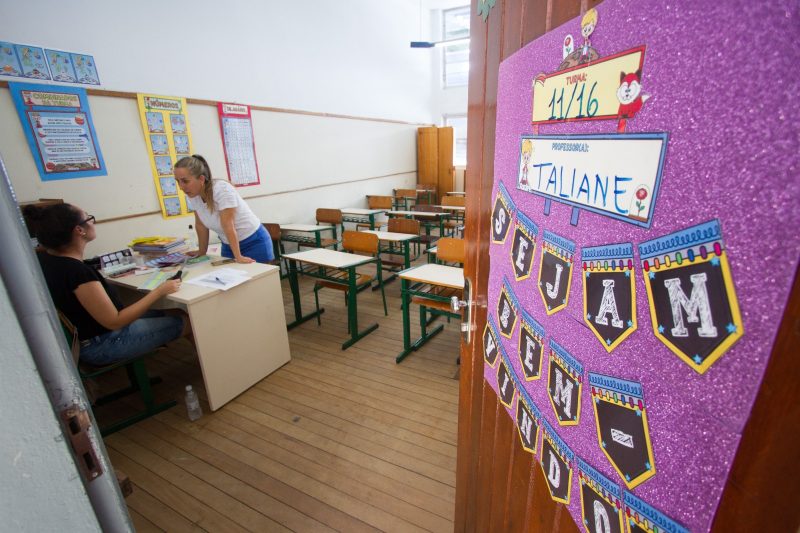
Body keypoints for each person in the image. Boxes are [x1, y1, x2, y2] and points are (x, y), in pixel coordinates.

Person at [24, 203, 191, 366]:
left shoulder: (47, 260)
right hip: (103, 343)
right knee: (190, 322)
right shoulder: (77, 272)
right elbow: (114, 321)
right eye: (88, 218)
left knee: (177, 312)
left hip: (95, 334)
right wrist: (159, 291)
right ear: (79, 230)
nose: (92, 222)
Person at [174, 154, 273, 264]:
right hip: (228, 244)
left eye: (185, 181)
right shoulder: (193, 195)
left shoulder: (221, 189)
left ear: (201, 179)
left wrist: (238, 257)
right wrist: (202, 252)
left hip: (253, 241)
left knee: (257, 278)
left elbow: (228, 224)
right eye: (178, 181)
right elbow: (200, 225)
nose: (181, 187)